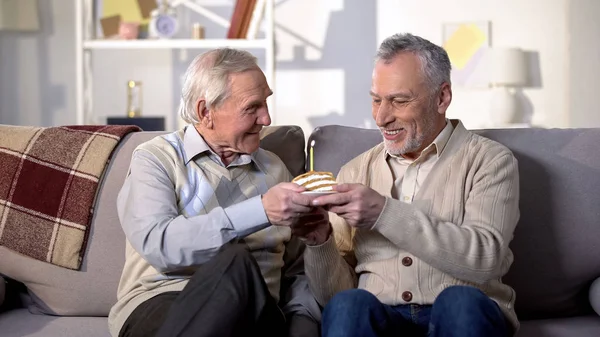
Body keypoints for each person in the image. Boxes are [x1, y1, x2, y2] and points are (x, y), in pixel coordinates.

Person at [297, 33, 521, 337]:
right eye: (376, 100)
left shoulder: (489, 160)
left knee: (460, 302)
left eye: (399, 101)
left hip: (463, 317)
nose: (381, 117)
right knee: (348, 305)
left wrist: (383, 213)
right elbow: (334, 298)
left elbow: (486, 258)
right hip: (383, 317)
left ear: (442, 98)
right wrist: (319, 241)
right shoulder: (355, 170)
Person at [108, 48, 324, 337]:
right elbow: (159, 244)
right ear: (205, 112)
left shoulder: (275, 171)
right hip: (164, 303)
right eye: (252, 107)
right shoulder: (157, 159)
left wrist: (303, 323)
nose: (267, 119)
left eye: (266, 103)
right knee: (234, 259)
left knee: (240, 268)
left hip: (256, 315)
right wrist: (261, 210)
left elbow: (297, 269)